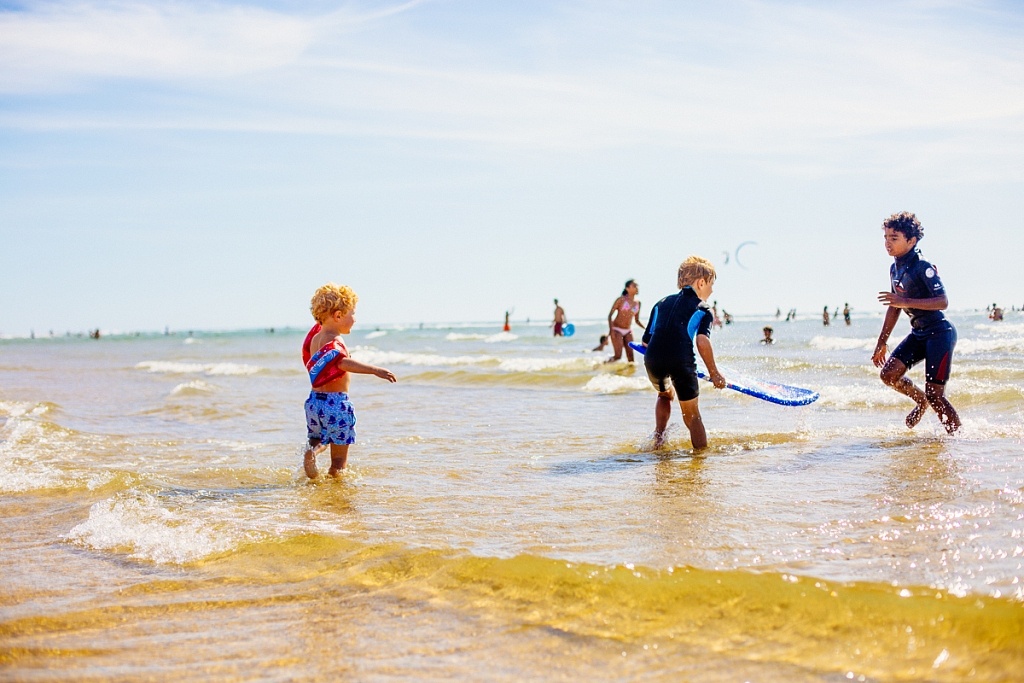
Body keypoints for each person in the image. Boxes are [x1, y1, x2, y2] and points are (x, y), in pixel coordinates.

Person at [871, 212, 960, 434]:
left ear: (911, 241)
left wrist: (904, 301)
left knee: (936, 395)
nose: (887, 243)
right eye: (886, 237)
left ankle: (959, 439)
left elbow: (943, 301)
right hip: (919, 333)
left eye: (894, 238)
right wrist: (881, 342)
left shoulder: (922, 266)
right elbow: (894, 306)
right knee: (888, 375)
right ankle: (921, 401)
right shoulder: (895, 268)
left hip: (940, 334)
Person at [302, 283, 397, 478]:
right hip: (335, 402)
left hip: (314, 401)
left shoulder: (315, 339)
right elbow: (342, 363)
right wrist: (375, 370)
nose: (355, 319)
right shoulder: (335, 340)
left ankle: (313, 452)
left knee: (318, 438)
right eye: (352, 313)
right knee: (338, 462)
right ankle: (338, 496)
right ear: (338, 316)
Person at [638, 256, 726, 450]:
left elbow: (646, 341)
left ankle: (658, 440)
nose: (711, 290)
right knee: (692, 415)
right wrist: (714, 373)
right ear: (701, 283)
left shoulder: (660, 303)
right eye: (711, 284)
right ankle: (700, 459)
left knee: (664, 395)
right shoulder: (703, 309)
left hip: (653, 359)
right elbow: (702, 341)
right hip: (680, 360)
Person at [606, 279, 646, 362]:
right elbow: (610, 315)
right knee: (618, 356)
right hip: (616, 329)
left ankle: (627, 375)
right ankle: (604, 365)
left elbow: (637, 320)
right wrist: (611, 331)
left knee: (631, 359)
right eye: (634, 286)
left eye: (637, 286)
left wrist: (646, 329)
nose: (637, 287)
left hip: (628, 331)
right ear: (627, 288)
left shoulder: (638, 303)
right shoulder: (621, 300)